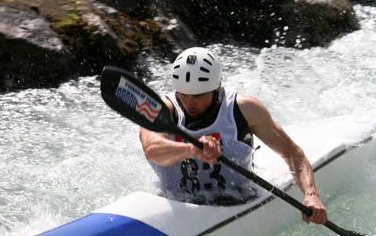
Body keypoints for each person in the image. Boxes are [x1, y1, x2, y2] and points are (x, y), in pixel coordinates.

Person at [139, 46, 327, 224]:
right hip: (177, 204)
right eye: (184, 95)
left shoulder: (244, 109)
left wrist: (311, 195)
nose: (190, 103)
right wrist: (192, 149)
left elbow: (292, 153)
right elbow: (152, 150)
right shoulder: (160, 110)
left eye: (198, 96)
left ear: (217, 88)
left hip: (239, 198)